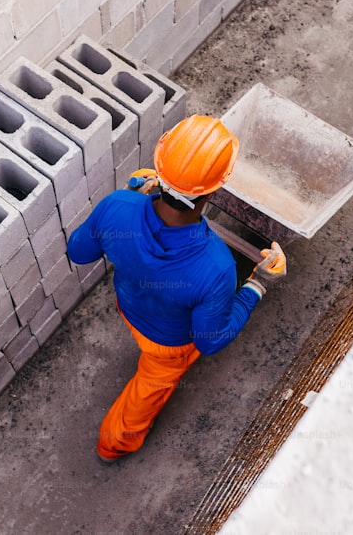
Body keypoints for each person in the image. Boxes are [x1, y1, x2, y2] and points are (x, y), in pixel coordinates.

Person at [66, 114, 287, 463]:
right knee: (147, 392)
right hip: (167, 346)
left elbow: (79, 252)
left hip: (128, 305)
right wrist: (257, 284)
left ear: (159, 165)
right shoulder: (217, 267)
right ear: (215, 190)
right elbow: (209, 340)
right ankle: (113, 445)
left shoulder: (116, 206)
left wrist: (130, 197)